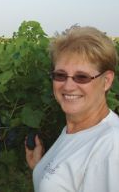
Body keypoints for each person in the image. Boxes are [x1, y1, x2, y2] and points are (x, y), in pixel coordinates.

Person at [25, 26, 119, 192]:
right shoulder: (74, 129)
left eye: (81, 77)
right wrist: (42, 168)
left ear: (106, 80)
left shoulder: (111, 146)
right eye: (60, 75)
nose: (68, 86)